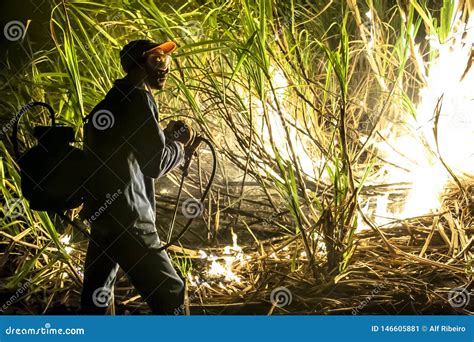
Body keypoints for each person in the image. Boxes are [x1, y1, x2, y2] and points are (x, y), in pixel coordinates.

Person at [80, 39, 194, 315]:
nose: (164, 67)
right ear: (136, 65)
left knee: (97, 296)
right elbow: (154, 164)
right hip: (130, 219)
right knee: (171, 294)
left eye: (165, 60)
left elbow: (129, 149)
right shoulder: (139, 99)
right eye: (156, 60)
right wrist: (180, 146)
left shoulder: (111, 101)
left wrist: (165, 138)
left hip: (104, 217)